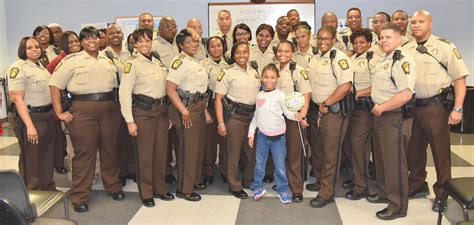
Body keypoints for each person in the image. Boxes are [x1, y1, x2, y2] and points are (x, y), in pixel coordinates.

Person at [50, 26, 125, 212]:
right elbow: (54, 85)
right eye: (87, 39)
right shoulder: (72, 61)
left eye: (94, 38)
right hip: (82, 110)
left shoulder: (110, 59)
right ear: (82, 42)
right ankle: (80, 195)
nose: (92, 41)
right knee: (84, 154)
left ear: (99, 40)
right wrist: (59, 112)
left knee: (110, 149)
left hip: (109, 108)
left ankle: (113, 186)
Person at [403, 10, 470, 212]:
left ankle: (442, 194)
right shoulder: (406, 48)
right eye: (413, 22)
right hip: (414, 108)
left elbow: (460, 80)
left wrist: (457, 109)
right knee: (413, 152)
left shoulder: (445, 47)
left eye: (420, 22)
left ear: (430, 23)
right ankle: (416, 185)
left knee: (440, 155)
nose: (416, 25)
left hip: (436, 108)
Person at [119, 28, 174, 207]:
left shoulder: (157, 61)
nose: (144, 44)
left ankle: (160, 188)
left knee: (160, 153)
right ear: (134, 44)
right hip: (143, 114)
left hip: (161, 112)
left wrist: (168, 114)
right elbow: (124, 93)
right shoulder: (132, 64)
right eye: (140, 41)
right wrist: (129, 121)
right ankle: (147, 192)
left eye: (147, 41)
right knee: (145, 155)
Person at [368, 23, 416, 220]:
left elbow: (405, 94)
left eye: (388, 37)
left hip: (393, 115)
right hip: (381, 116)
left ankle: (397, 206)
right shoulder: (384, 59)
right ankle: (384, 193)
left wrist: (382, 107)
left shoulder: (403, 60)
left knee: (395, 163)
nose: (383, 40)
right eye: (381, 37)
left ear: (399, 38)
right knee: (381, 158)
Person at [306, 27, 353, 208]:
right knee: (317, 150)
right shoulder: (315, 58)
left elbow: (346, 86)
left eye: (326, 38)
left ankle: (326, 193)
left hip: (332, 112)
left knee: (330, 153)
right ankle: (319, 180)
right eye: (320, 38)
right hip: (315, 111)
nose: (322, 41)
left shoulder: (339, 58)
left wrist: (326, 103)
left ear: (333, 40)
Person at [6, 36, 56, 191]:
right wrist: (30, 126)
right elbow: (17, 99)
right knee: (31, 157)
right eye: (29, 47)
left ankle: (47, 186)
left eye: (36, 47)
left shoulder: (40, 66)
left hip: (47, 115)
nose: (34, 50)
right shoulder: (18, 68)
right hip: (30, 116)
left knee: (47, 154)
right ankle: (32, 190)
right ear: (23, 50)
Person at [166, 28, 208, 202]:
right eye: (189, 42)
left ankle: (193, 181)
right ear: (181, 45)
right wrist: (184, 111)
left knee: (196, 148)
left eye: (196, 41)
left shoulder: (194, 61)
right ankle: (184, 189)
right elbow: (170, 89)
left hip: (198, 106)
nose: (193, 44)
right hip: (186, 108)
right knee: (188, 150)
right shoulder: (180, 62)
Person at [215, 41, 261, 199]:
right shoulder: (227, 73)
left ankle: (248, 180)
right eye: (238, 52)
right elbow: (218, 99)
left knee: (251, 152)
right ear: (233, 55)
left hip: (252, 117)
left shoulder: (254, 71)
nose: (242, 55)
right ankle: (234, 185)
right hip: (235, 117)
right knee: (233, 153)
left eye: (245, 52)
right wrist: (221, 123)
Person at [248, 63, 300, 204]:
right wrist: (251, 133)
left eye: (272, 77)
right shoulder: (259, 95)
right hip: (262, 136)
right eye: (266, 77)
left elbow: (288, 113)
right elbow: (256, 117)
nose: (269, 80)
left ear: (277, 78)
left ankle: (282, 188)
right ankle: (257, 186)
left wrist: (297, 115)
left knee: (280, 165)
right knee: (259, 163)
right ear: (261, 78)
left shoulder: (281, 95)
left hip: (278, 138)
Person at [344, 28, 380, 200]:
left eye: (362, 42)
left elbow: (380, 86)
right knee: (351, 146)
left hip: (364, 109)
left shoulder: (373, 60)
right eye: (355, 42)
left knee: (359, 147)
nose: (358, 45)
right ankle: (356, 178)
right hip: (350, 108)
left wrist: (358, 92)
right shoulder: (350, 58)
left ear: (369, 43)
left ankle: (362, 186)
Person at [275, 40, 312, 202]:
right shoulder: (273, 69)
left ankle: (296, 188)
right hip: (276, 118)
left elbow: (306, 94)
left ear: (292, 53)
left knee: (294, 153)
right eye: (280, 51)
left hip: (293, 118)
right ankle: (282, 183)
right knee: (279, 153)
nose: (283, 54)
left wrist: (302, 115)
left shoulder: (298, 71)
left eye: (287, 51)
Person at [46, 31, 81, 175]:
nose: (74, 44)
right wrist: (59, 111)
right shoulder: (58, 61)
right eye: (70, 42)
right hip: (68, 108)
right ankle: (77, 174)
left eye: (76, 41)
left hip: (81, 108)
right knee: (75, 146)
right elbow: (52, 86)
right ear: (63, 45)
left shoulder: (81, 58)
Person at [200, 36, 229, 184]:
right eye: (212, 46)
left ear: (223, 47)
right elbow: (200, 90)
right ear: (207, 48)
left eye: (219, 45)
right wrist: (204, 111)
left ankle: (224, 169)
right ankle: (209, 170)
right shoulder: (202, 65)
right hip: (209, 107)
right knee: (209, 142)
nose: (216, 48)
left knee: (225, 141)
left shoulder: (230, 64)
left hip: (227, 108)